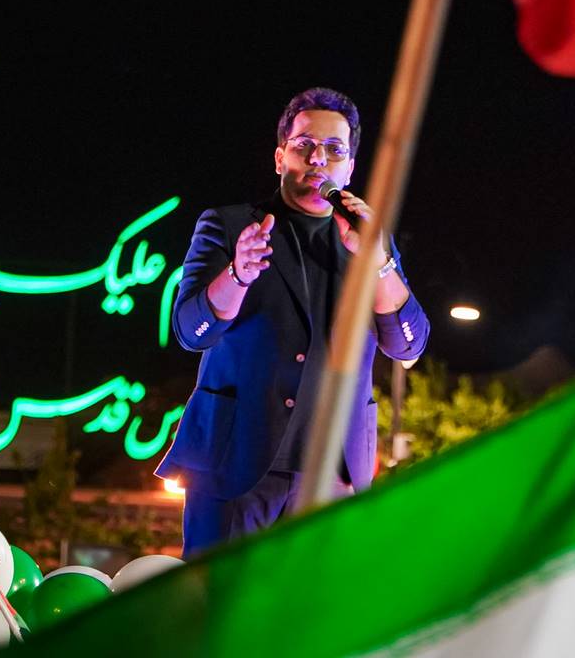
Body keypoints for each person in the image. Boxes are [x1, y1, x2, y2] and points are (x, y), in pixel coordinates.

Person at [155, 87, 429, 555]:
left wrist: (378, 262)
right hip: (233, 466)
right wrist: (238, 274)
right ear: (281, 157)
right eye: (304, 145)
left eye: (334, 149)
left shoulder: (367, 238)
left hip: (334, 472)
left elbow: (408, 345)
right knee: (219, 597)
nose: (318, 158)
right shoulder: (229, 226)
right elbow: (190, 330)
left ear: (349, 168)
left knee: (315, 601)